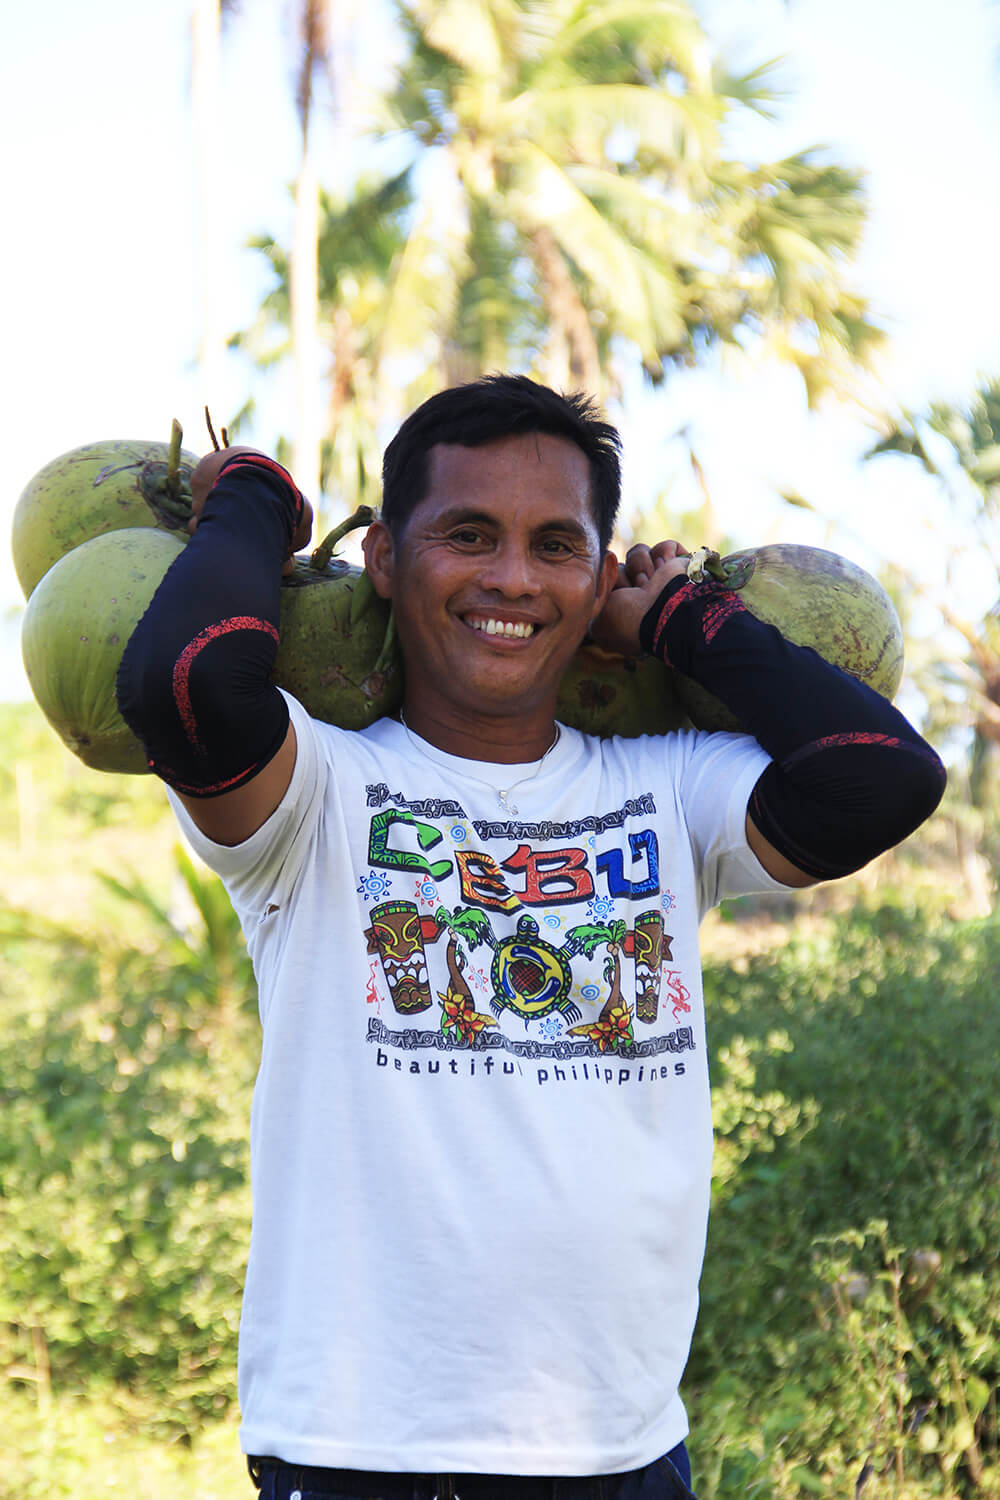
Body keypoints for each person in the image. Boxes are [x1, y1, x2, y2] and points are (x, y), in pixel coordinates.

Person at [116, 374, 945, 1500]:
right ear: (386, 561)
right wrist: (257, 503)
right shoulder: (318, 796)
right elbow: (184, 681)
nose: (511, 577)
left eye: (556, 546)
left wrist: (683, 619)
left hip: (622, 1450)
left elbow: (882, 779)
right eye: (467, 535)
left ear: (599, 578)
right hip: (367, 1453)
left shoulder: (666, 789)